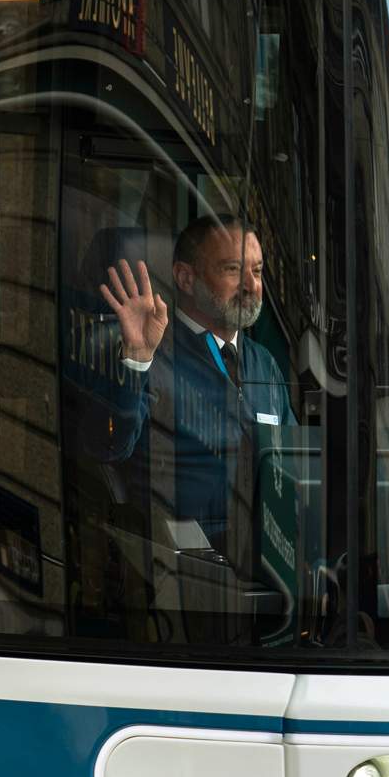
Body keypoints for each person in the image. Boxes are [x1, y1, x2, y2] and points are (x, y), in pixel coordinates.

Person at [95, 216, 294, 564]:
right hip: (180, 561)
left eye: (258, 272)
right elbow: (113, 446)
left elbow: (291, 465)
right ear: (186, 278)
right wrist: (138, 358)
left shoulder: (264, 363)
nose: (251, 285)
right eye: (233, 270)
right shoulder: (150, 353)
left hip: (266, 556)